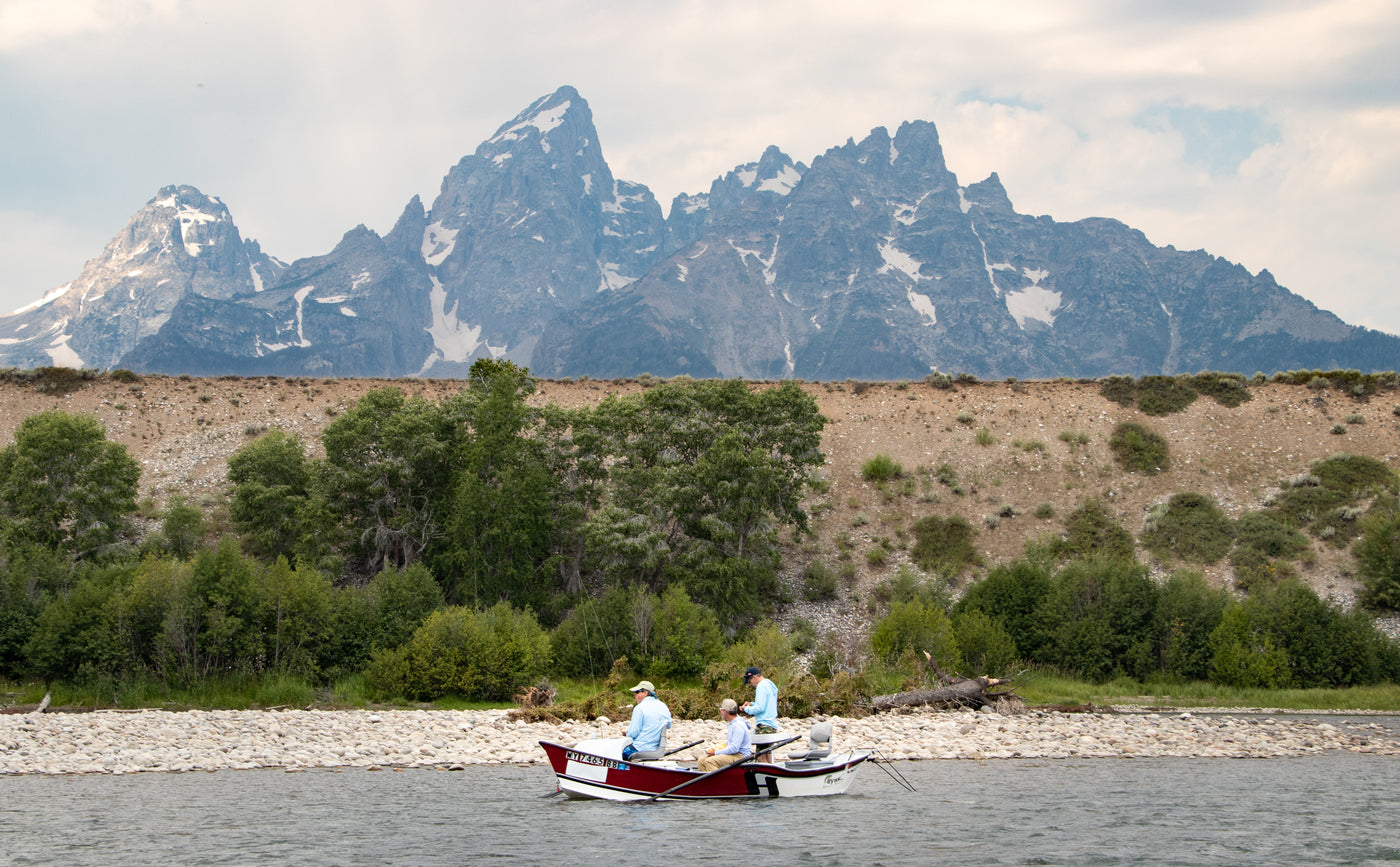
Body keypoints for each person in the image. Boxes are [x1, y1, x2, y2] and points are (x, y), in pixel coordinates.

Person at [697, 698, 753, 773]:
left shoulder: (738, 725)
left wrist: (716, 752)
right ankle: (706, 782)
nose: (720, 711)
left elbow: (734, 748)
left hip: (741, 756)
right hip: (735, 754)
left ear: (725, 711)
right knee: (701, 761)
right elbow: (731, 743)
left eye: (721, 709)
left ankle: (718, 783)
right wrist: (718, 747)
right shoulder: (733, 723)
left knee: (710, 761)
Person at [622, 680, 672, 760]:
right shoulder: (663, 706)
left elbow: (633, 733)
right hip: (657, 750)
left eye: (637, 692)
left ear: (645, 693)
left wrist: (626, 733)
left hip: (639, 749)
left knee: (615, 751)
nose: (635, 695)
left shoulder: (639, 708)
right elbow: (668, 725)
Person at [740, 666, 779, 763]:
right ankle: (772, 775)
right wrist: (751, 704)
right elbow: (766, 704)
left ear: (753, 677)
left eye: (749, 682)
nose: (750, 684)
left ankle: (766, 776)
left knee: (760, 757)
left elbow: (759, 708)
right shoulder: (770, 684)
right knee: (768, 753)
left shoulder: (761, 686)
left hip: (764, 726)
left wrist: (746, 709)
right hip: (772, 725)